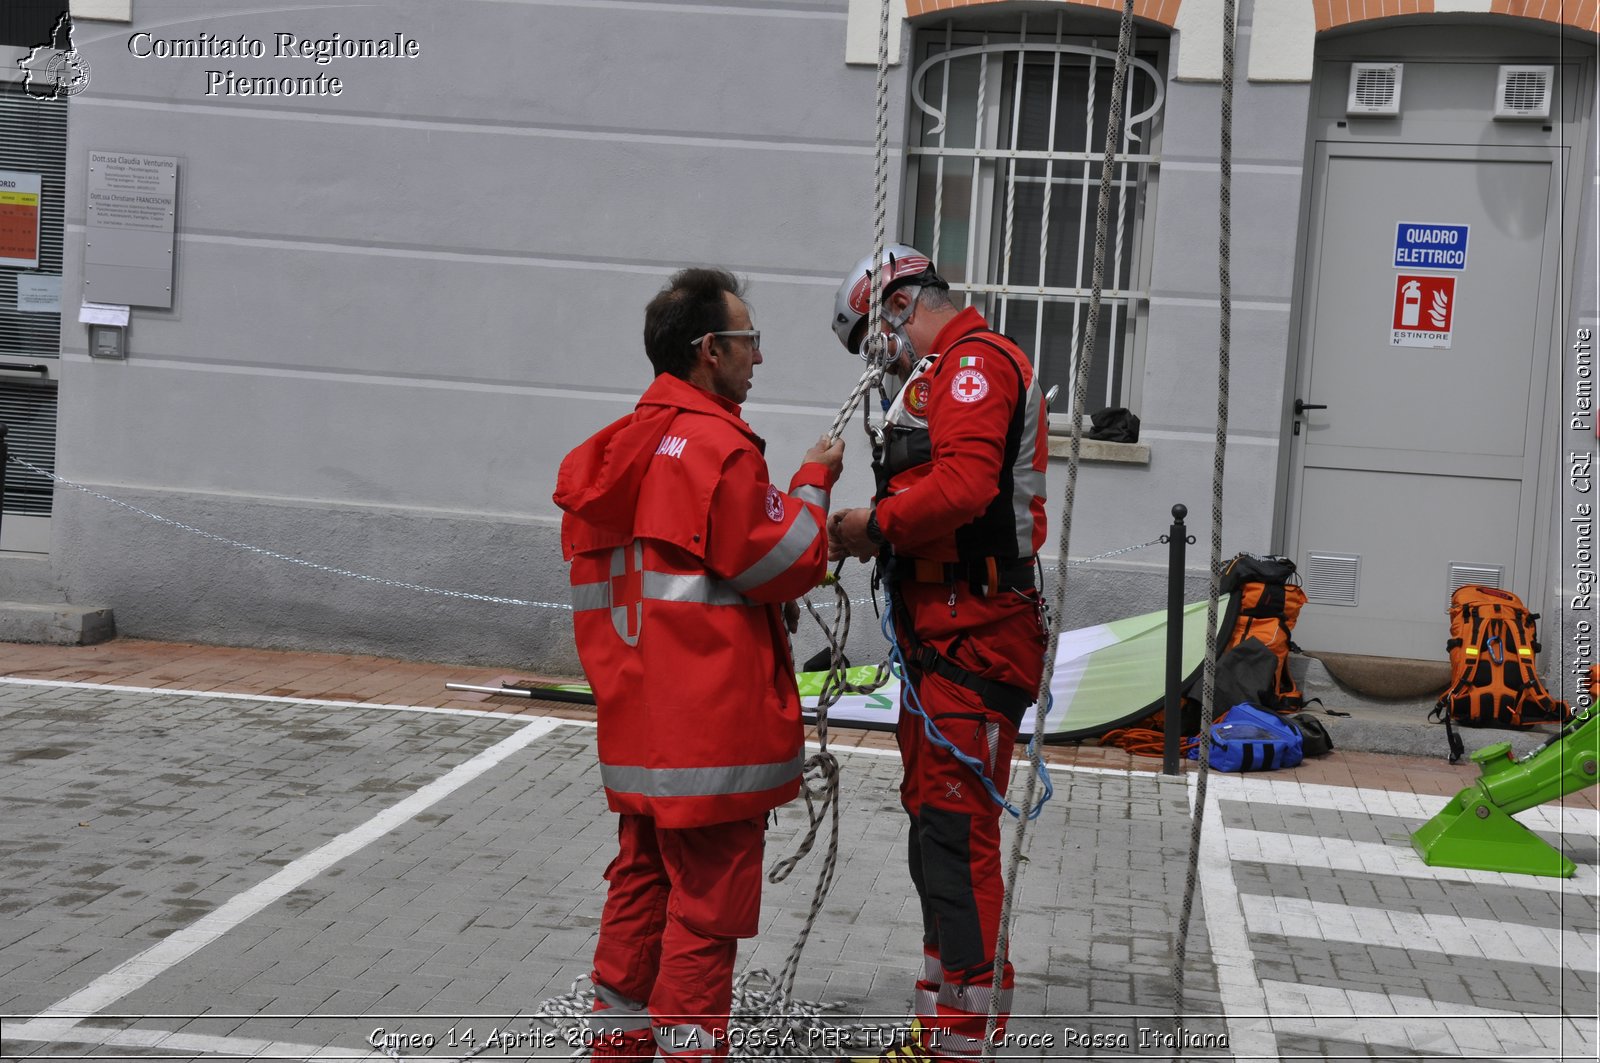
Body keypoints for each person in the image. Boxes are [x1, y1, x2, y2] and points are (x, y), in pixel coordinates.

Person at [554, 268, 844, 1060]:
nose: (760, 358)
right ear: (710, 350)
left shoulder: (614, 450)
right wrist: (814, 483)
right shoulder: (716, 449)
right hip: (711, 739)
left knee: (641, 889)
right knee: (705, 918)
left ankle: (614, 1049)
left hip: (640, 730)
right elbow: (788, 559)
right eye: (749, 341)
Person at [826, 245, 1048, 1063]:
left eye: (871, 340)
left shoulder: (973, 368)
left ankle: (960, 1041)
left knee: (956, 832)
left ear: (898, 305)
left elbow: (963, 487)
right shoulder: (942, 375)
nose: (876, 360)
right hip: (938, 634)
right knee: (932, 831)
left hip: (978, 633)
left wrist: (869, 528)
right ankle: (941, 1025)